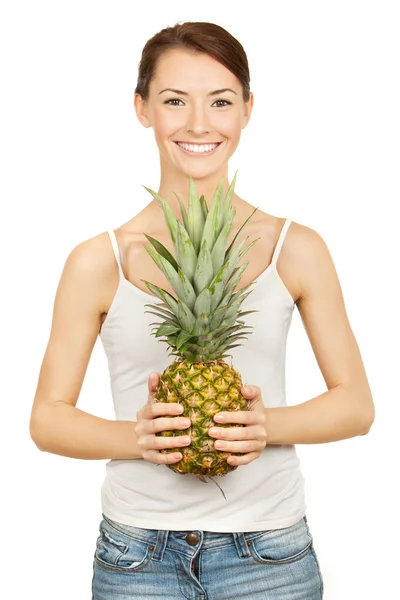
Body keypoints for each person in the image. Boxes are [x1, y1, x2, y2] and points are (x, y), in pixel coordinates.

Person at [29, 21, 375, 599]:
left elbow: (356, 406)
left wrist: (265, 427)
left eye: (220, 101)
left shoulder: (297, 248)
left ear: (246, 109)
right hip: (137, 554)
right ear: (142, 109)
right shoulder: (99, 260)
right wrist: (137, 437)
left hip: (270, 554)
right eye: (173, 101)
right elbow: (47, 419)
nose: (198, 124)